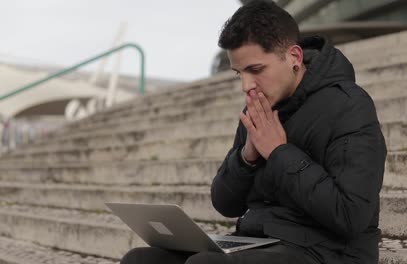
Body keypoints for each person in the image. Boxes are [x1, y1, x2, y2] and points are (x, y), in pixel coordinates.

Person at [121, 1, 387, 263]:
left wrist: (279, 152)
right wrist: (246, 158)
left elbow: (351, 215)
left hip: (328, 251)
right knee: (141, 260)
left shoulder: (349, 105)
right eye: (239, 73)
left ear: (294, 57)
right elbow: (225, 204)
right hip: (259, 241)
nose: (246, 86)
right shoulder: (258, 108)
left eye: (256, 70)